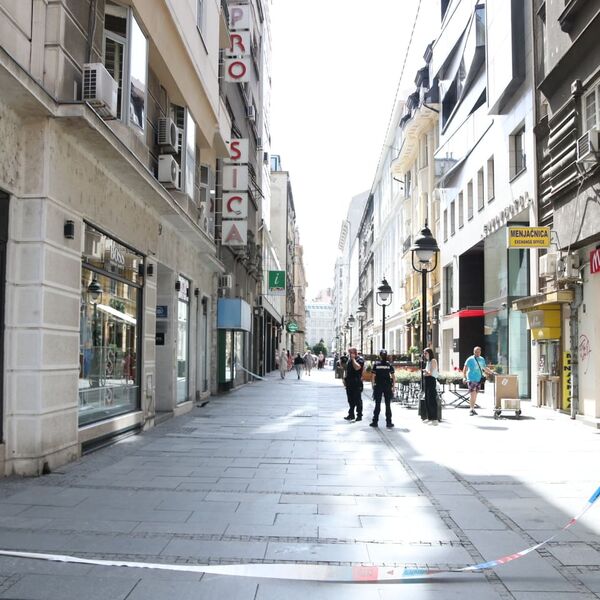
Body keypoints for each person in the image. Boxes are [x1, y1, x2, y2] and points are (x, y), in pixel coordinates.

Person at [463, 346, 492, 416]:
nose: (477, 353)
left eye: (478, 352)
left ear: (480, 352)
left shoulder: (482, 359)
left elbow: (484, 368)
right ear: (474, 352)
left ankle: (472, 409)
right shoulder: (470, 359)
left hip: (478, 379)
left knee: (475, 395)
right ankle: (471, 409)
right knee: (472, 394)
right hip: (471, 379)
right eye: (476, 352)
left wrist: (492, 372)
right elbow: (465, 369)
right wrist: (464, 378)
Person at [370, 349, 395, 428]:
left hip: (378, 386)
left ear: (380, 356)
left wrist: (372, 385)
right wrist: (393, 387)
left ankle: (375, 422)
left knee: (377, 404)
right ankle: (389, 422)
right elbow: (393, 376)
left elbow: (373, 376)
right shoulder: (389, 365)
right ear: (386, 356)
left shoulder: (376, 365)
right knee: (388, 404)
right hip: (387, 386)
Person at [343, 347, 364, 422]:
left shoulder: (359, 359)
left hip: (356, 382)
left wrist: (353, 359)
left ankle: (359, 415)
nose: (349, 354)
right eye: (349, 353)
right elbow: (347, 370)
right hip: (349, 383)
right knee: (350, 399)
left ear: (354, 353)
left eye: (350, 353)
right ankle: (351, 414)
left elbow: (357, 368)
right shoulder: (349, 360)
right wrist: (344, 379)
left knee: (357, 399)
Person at [421, 347, 439, 425]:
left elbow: (430, 373)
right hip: (427, 380)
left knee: (432, 399)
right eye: (424, 353)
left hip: (431, 380)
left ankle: (435, 419)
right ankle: (430, 417)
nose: (424, 355)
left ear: (429, 353)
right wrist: (425, 372)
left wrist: (425, 371)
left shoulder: (433, 361)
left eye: (426, 353)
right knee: (427, 399)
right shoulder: (428, 362)